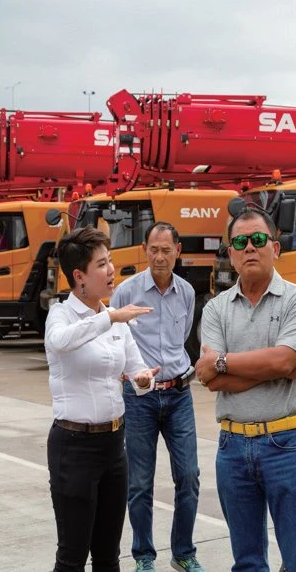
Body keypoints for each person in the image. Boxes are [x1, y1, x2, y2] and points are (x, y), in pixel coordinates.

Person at [196, 207, 296, 572]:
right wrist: (279, 366)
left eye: (258, 240)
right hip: (232, 448)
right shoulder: (216, 308)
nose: (249, 247)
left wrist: (225, 361)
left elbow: (281, 361)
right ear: (231, 253)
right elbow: (211, 379)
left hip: (286, 444)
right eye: (239, 242)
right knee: (247, 562)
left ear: (276, 248)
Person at [44, 226, 159, 572]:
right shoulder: (61, 315)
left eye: (110, 261)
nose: (111, 271)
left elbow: (138, 374)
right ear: (79, 276)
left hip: (113, 445)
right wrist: (108, 317)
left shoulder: (115, 318)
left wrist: (142, 381)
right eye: (102, 264)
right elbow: (60, 342)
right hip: (73, 447)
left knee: (109, 555)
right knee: (72, 556)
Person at [111, 222, 203, 572]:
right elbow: (115, 341)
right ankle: (144, 556)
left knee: (189, 476)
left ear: (178, 250)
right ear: (145, 250)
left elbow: (183, 338)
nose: (160, 257)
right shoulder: (126, 292)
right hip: (140, 398)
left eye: (167, 250)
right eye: (154, 250)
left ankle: (183, 552)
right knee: (139, 482)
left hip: (179, 394)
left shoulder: (187, 293)